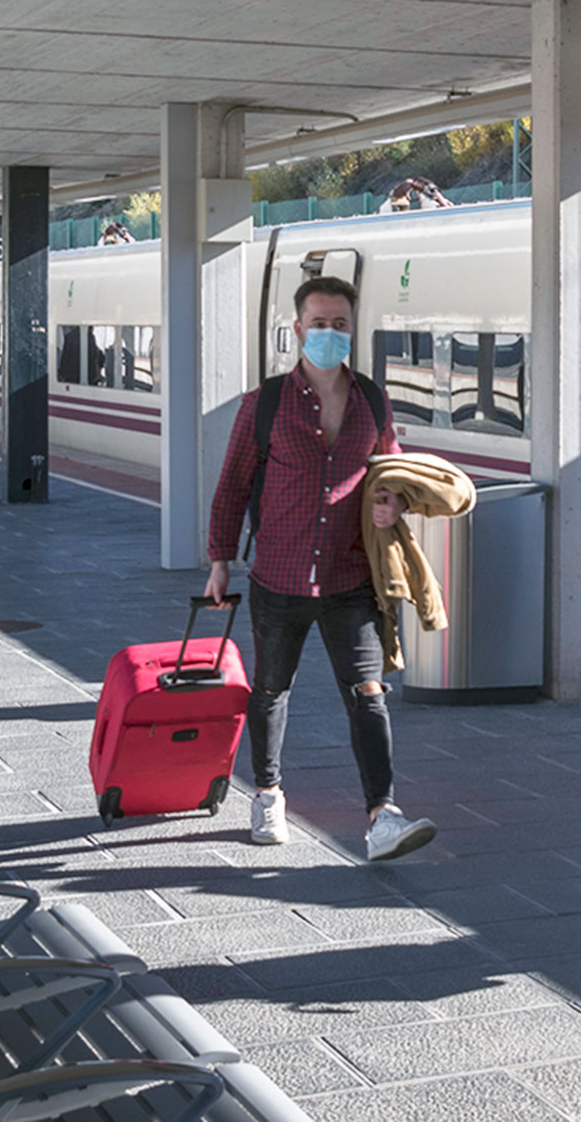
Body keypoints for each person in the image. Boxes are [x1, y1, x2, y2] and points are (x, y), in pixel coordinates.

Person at [205, 275, 436, 862]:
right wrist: (219, 562)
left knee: (368, 692)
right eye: (319, 323)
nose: (329, 333)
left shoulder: (372, 401)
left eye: (340, 324)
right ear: (297, 329)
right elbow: (232, 486)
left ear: (352, 330)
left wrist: (393, 503)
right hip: (278, 576)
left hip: (350, 578)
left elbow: (392, 473)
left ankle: (383, 816)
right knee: (270, 690)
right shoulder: (265, 404)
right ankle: (268, 795)